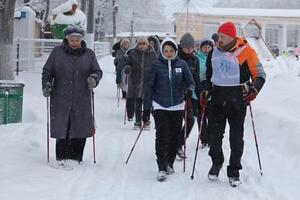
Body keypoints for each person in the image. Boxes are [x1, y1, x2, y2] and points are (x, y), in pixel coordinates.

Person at [200, 22, 266, 187]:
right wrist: (204, 90)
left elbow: (260, 74)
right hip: (216, 99)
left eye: (222, 36)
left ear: (231, 37)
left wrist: (254, 89)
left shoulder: (246, 51)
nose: (218, 39)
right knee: (214, 136)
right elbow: (205, 76)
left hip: (237, 100)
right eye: (218, 36)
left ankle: (234, 170)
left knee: (236, 138)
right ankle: (217, 162)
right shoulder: (213, 53)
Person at [42, 25, 103, 168]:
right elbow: (47, 71)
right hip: (60, 96)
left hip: (81, 96)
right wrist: (46, 84)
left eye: (77, 40)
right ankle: (61, 157)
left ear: (82, 40)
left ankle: (76, 157)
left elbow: (97, 71)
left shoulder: (89, 54)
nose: (75, 42)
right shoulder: (57, 53)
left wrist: (94, 78)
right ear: (67, 39)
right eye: (72, 39)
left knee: (80, 126)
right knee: (62, 126)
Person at [144, 37, 195, 181]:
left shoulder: (182, 64)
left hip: (177, 105)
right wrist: (146, 109)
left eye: (171, 51)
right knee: (162, 135)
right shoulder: (156, 65)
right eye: (165, 51)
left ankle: (169, 163)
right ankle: (161, 166)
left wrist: (189, 90)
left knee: (174, 136)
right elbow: (149, 87)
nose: (168, 53)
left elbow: (191, 82)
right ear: (162, 51)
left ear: (175, 51)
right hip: (160, 105)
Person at [176, 33, 201, 159]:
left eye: (191, 48)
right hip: (174, 95)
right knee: (174, 122)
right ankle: (169, 145)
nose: (189, 50)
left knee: (190, 119)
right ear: (181, 47)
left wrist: (201, 93)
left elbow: (196, 79)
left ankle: (179, 144)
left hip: (188, 94)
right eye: (186, 48)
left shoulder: (195, 60)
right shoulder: (175, 58)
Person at [124, 37, 157, 129]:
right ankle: (138, 122)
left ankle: (146, 121)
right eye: (140, 44)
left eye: (144, 44)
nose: (142, 46)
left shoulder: (152, 54)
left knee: (147, 104)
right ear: (137, 44)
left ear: (147, 44)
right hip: (136, 81)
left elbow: (156, 66)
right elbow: (128, 64)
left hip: (148, 82)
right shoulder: (132, 53)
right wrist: (127, 68)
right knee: (137, 103)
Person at [195, 39, 214, 148]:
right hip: (201, 87)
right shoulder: (197, 58)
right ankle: (204, 139)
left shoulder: (215, 58)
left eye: (208, 47)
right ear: (201, 48)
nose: (206, 50)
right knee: (201, 115)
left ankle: (211, 138)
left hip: (213, 88)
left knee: (212, 116)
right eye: (204, 47)